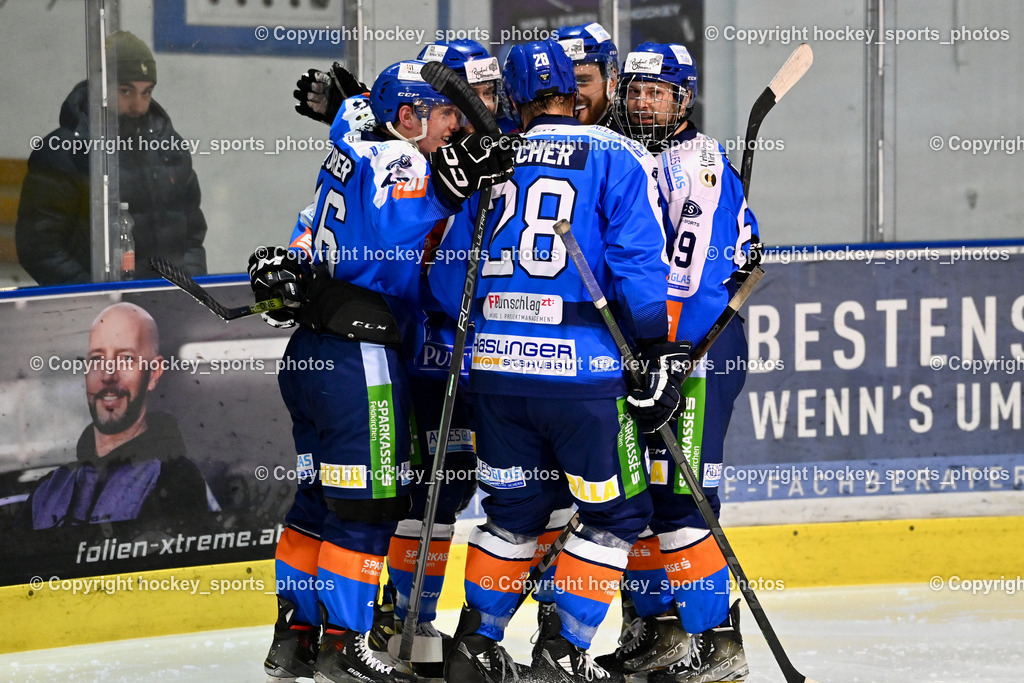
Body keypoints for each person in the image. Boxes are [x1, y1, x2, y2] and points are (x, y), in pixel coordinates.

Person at [429, 39, 687, 683]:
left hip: (495, 378)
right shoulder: (617, 154)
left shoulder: (491, 164)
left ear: (513, 100)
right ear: (574, 93)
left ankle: (475, 643)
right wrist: (652, 349)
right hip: (584, 379)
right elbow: (637, 268)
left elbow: (442, 285)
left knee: (513, 513)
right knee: (617, 512)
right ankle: (562, 652)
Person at [253, 59, 515, 683]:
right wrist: (452, 182)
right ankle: (349, 644)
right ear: (407, 117)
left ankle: (296, 634)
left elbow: (359, 112)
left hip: (312, 351)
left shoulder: (354, 125)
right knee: (368, 508)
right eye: (447, 111)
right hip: (361, 356)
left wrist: (360, 97)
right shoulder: (399, 159)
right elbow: (405, 201)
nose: (458, 124)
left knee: (318, 500)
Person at [595, 42, 759, 683]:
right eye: (633, 91)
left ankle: (717, 641)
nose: (641, 102)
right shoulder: (627, 153)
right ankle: (656, 628)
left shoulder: (701, 163)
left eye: (655, 92)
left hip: (694, 348)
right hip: (644, 350)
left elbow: (687, 276)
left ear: (682, 97)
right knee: (637, 493)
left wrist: (661, 354)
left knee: (686, 497)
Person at [16, 30, 207, 285]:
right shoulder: (64, 152)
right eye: (126, 91)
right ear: (100, 88)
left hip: (167, 301)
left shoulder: (169, 148)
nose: (139, 106)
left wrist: (190, 290)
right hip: (97, 313)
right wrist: (98, 299)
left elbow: (192, 235)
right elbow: (40, 248)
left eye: (146, 92)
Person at [21, 303, 215, 529]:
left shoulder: (176, 480)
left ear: (153, 373)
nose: (108, 374)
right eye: (97, 359)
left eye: (125, 359)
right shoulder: (49, 490)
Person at [553, 22, 620, 127]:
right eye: (562, 82)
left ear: (611, 81)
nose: (573, 95)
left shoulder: (629, 137)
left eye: (583, 81)